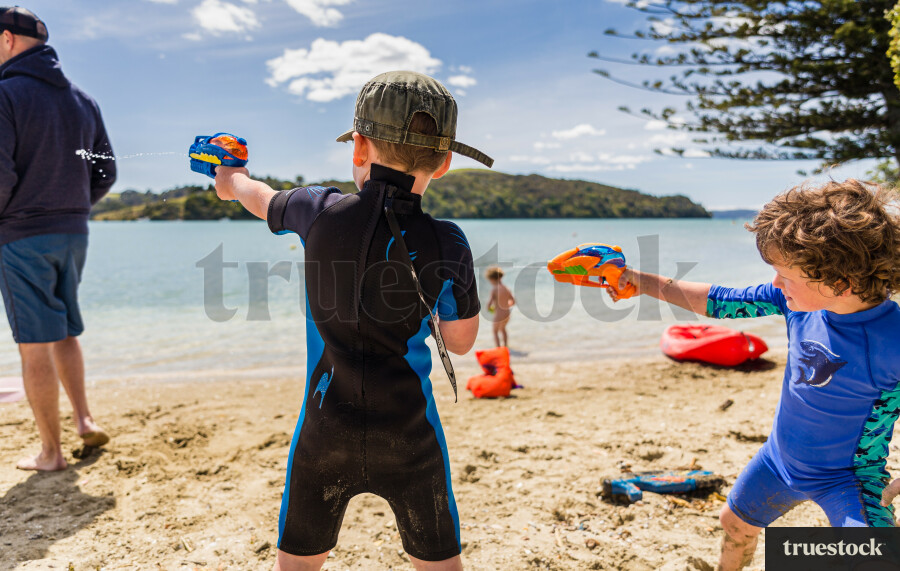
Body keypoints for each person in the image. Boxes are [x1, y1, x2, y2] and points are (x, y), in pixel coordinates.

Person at [212, 71, 492, 571]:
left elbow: (255, 195)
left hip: (325, 428)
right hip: (409, 432)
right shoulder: (448, 241)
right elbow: (462, 341)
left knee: (298, 561)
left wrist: (229, 177)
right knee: (438, 562)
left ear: (359, 146)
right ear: (445, 163)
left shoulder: (315, 209)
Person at [607, 180, 900, 570]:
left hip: (850, 478)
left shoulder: (892, 340)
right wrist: (641, 281)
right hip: (779, 459)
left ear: (840, 283)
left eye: (785, 275)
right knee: (733, 523)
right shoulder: (796, 302)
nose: (775, 284)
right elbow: (719, 301)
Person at [0, 6, 116, 471]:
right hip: (73, 231)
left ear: (7, 40)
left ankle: (51, 453)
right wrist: (73, 206)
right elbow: (106, 171)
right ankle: (84, 420)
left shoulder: (5, 94)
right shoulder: (82, 100)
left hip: (21, 234)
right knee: (65, 329)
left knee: (33, 343)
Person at [485, 266, 515, 347]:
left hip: (499, 315)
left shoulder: (494, 289)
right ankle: (505, 346)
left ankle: (498, 349)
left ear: (492, 279)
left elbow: (489, 304)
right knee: (503, 329)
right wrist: (506, 305)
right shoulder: (506, 288)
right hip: (507, 314)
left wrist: (489, 308)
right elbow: (513, 301)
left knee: (495, 331)